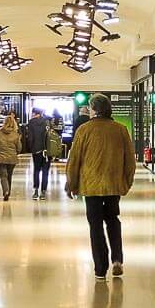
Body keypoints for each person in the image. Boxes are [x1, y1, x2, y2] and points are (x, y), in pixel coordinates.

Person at [66, 93, 136, 281]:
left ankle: (100, 268)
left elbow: (74, 159)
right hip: (113, 184)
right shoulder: (120, 130)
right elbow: (130, 159)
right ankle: (117, 259)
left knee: (95, 225)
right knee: (113, 220)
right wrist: (126, 182)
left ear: (93, 109)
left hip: (91, 186)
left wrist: (71, 183)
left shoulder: (84, 130)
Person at [0, 112, 22, 200]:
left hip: (1, 158)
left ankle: (6, 191)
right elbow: (19, 148)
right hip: (12, 159)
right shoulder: (16, 135)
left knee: (3, 176)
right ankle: (8, 192)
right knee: (9, 175)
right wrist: (15, 152)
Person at [25, 108, 51, 199]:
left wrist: (31, 148)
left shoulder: (31, 122)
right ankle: (43, 192)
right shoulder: (47, 122)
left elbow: (30, 138)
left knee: (36, 170)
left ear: (34, 113)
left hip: (36, 150)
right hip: (47, 150)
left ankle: (36, 191)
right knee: (45, 171)